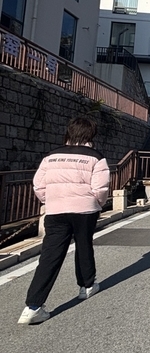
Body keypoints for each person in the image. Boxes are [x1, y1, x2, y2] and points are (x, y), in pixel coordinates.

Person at [18, 117, 110, 325]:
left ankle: (33, 306)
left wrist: (50, 200)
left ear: (69, 132)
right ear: (91, 135)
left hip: (56, 210)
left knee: (50, 255)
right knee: (84, 245)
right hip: (85, 209)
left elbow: (38, 184)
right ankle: (86, 286)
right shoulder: (96, 157)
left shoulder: (51, 156)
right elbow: (101, 188)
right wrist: (97, 203)